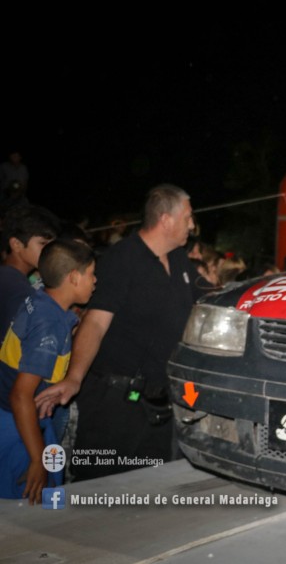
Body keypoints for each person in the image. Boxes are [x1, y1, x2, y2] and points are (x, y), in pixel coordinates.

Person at [34, 184, 196, 481]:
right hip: (116, 402)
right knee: (100, 488)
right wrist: (74, 378)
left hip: (161, 401)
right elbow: (95, 324)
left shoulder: (180, 260)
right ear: (165, 219)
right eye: (188, 217)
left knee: (151, 487)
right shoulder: (122, 260)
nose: (193, 225)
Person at [0, 239, 96, 504]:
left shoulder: (39, 297)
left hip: (27, 420)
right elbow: (21, 395)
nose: (95, 280)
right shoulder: (49, 324)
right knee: (32, 510)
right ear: (74, 278)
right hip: (19, 429)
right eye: (91, 274)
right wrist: (37, 459)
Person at [0, 204, 59, 332]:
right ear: (16, 244)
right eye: (43, 243)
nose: (51, 251)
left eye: (52, 244)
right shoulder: (15, 288)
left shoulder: (11, 279)